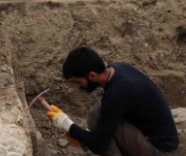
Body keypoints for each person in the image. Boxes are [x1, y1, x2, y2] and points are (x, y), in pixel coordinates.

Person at [47, 47, 179, 156]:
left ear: (92, 75)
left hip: (160, 150)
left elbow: (99, 145)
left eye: (78, 82)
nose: (78, 86)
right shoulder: (118, 68)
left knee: (98, 124)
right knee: (96, 113)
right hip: (161, 136)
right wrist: (85, 135)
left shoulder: (116, 94)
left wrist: (67, 125)